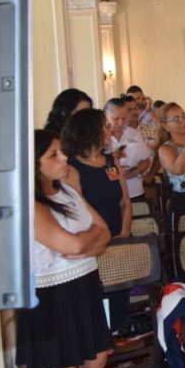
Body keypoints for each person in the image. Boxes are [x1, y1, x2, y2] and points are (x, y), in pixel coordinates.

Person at [17, 130, 112, 368]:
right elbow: (70, 245)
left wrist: (87, 242)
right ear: (33, 164)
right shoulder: (30, 205)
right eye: (53, 154)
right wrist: (87, 241)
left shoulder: (67, 190)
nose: (64, 158)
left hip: (83, 284)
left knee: (95, 361)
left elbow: (104, 231)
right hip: (52, 295)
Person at [61, 108, 132, 334]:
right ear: (90, 130)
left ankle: (122, 336)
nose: (110, 129)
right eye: (105, 125)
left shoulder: (111, 161)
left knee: (120, 295)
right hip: (95, 243)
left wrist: (124, 233)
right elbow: (79, 212)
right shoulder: (73, 168)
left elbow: (125, 202)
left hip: (118, 238)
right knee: (99, 301)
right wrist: (104, 240)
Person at [105, 97, 152, 204]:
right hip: (111, 191)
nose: (121, 122)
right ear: (105, 116)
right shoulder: (100, 137)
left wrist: (135, 172)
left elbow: (146, 160)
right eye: (116, 119)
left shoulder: (134, 134)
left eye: (124, 118)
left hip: (135, 190)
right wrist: (117, 174)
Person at [157, 102, 185, 217]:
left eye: (184, 116)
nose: (183, 121)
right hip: (184, 200)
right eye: (177, 119)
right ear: (165, 126)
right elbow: (178, 169)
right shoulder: (166, 149)